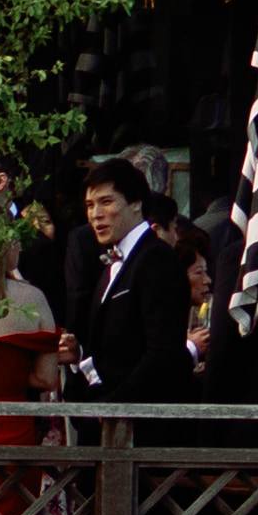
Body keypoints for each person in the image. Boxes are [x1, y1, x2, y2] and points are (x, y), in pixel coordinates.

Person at [57, 157, 205, 400]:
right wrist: (78, 351)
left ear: (135, 204)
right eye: (90, 205)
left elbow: (163, 352)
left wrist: (114, 407)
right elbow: (117, 345)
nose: (96, 214)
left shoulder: (156, 259)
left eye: (106, 202)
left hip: (140, 422)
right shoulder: (114, 260)